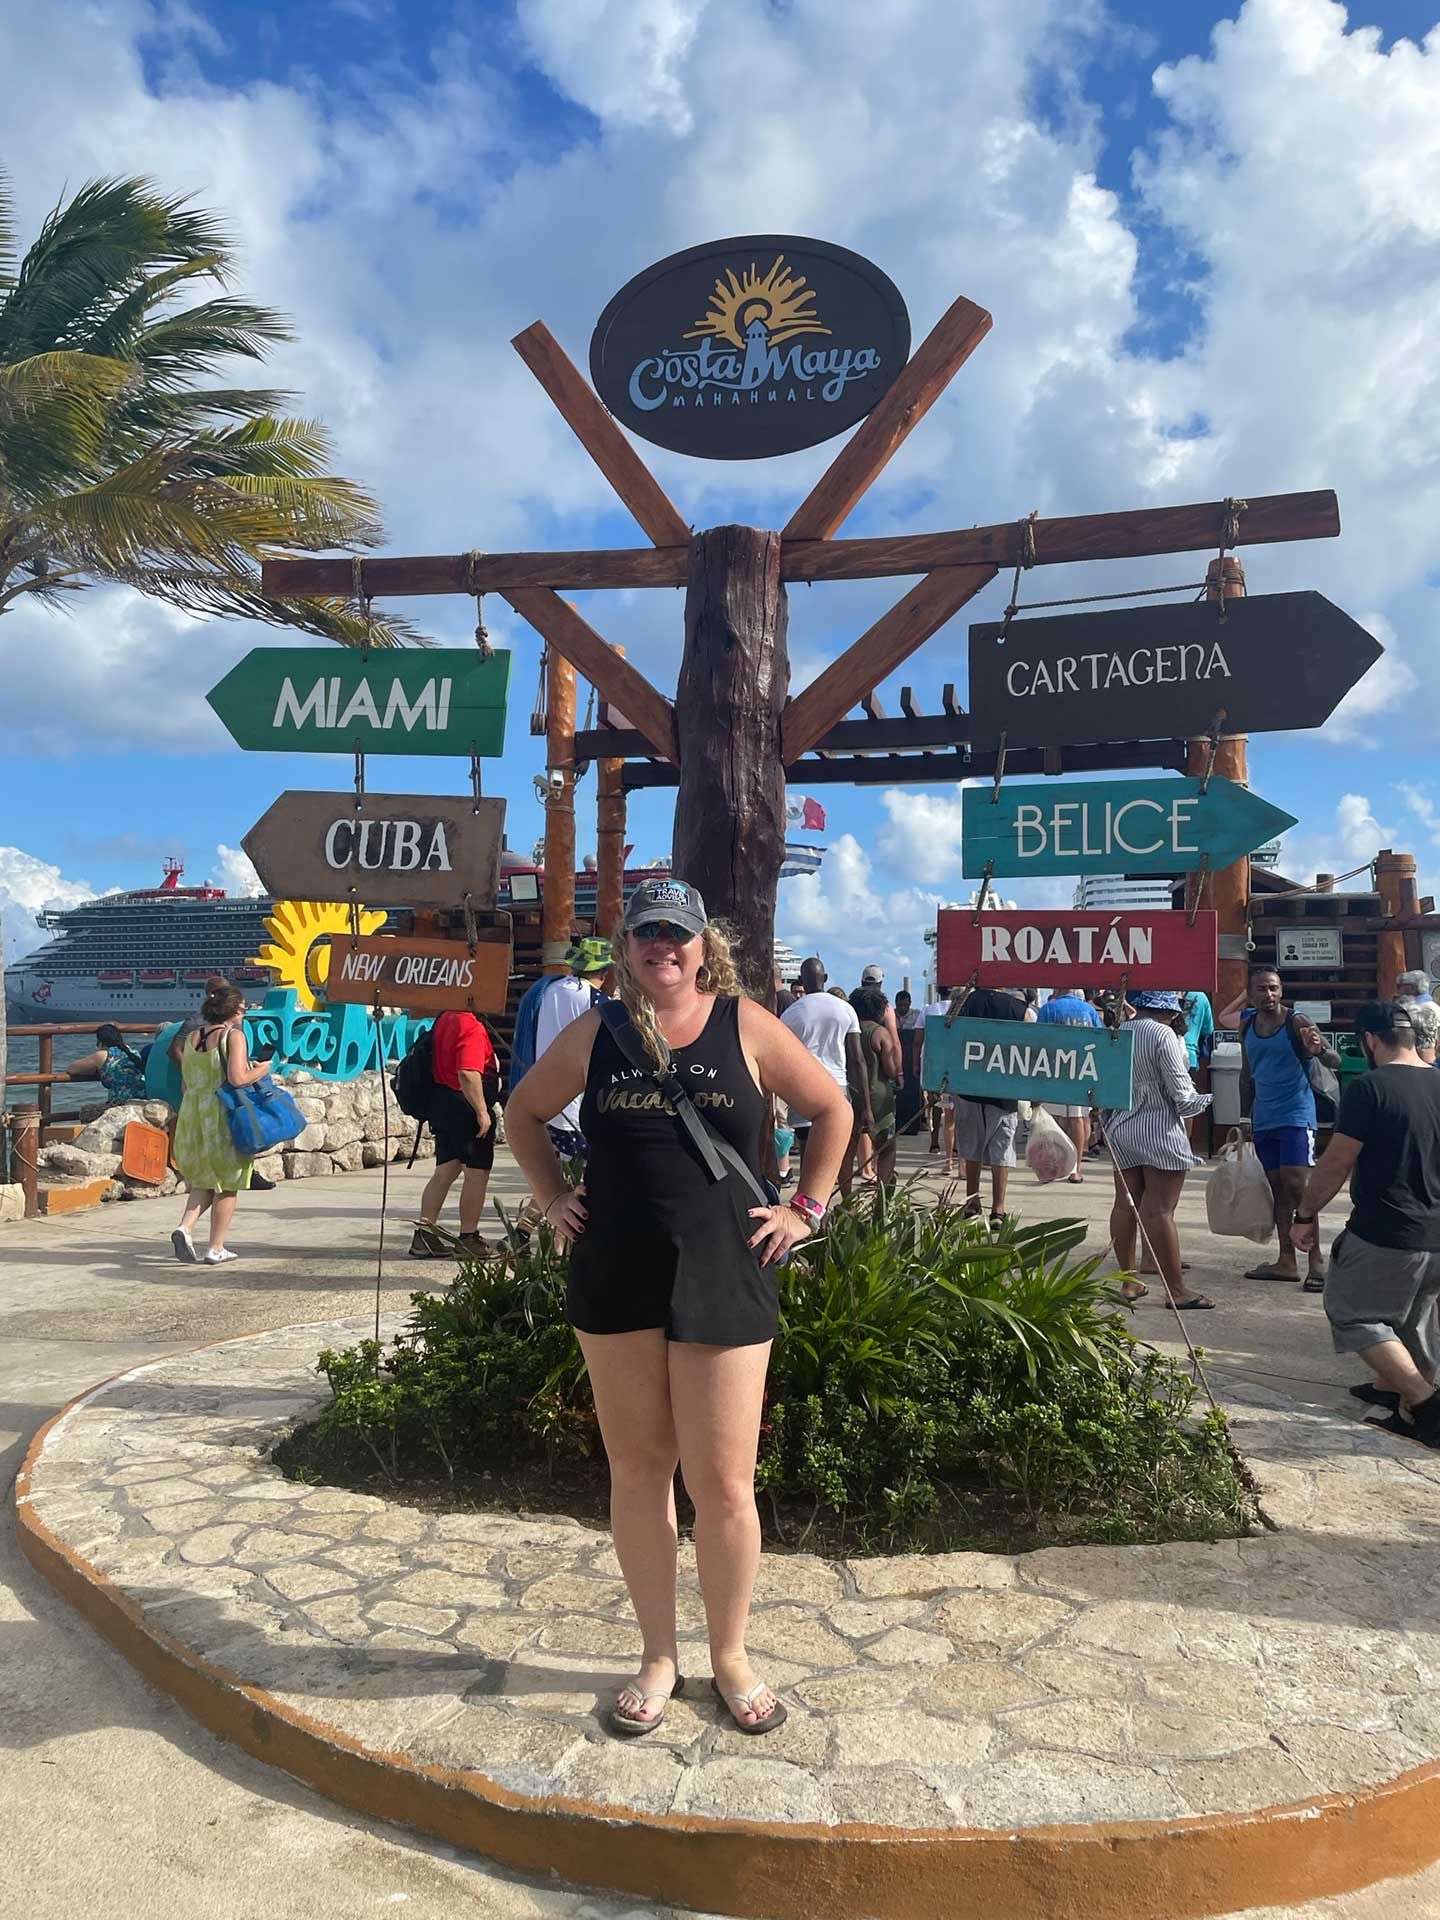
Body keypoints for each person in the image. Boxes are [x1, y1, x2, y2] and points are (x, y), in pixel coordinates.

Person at [503, 879, 851, 1738]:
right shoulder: (600, 1032)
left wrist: (805, 1209)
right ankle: (659, 1654)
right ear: (626, 948)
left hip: (726, 1268)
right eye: (647, 932)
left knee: (725, 1483)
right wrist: (552, 1198)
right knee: (638, 1470)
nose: (663, 945)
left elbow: (832, 1109)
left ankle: (729, 1654)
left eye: (678, 933)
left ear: (705, 949)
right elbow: (523, 1112)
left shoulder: (746, 1025)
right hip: (618, 1269)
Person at [1291, 1002, 1440, 1446]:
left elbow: (1336, 1163)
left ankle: (1426, 1405)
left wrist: (1305, 1214)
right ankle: (1403, 1400)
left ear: (1370, 1041)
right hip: (1436, 1230)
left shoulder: (1369, 1088)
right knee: (1415, 1320)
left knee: (1353, 1312)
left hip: (1388, 1229)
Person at [1218, 966, 1341, 1289]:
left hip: (1297, 1115)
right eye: (1261, 989)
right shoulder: (1247, 1024)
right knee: (1278, 1191)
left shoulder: (1297, 1021)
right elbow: (1247, 1076)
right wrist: (1245, 1118)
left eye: (1273, 988)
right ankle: (1286, 1260)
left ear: (1282, 990)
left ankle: (1316, 1262)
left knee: (1299, 1187)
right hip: (1265, 1118)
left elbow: (1335, 1061)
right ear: (1251, 992)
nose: (1268, 995)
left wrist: (1319, 1050)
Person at [1099, 990, 1215, 1310]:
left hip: (1121, 1127)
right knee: (1160, 1210)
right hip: (1159, 1128)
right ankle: (1176, 1290)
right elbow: (1182, 1095)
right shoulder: (1162, 1034)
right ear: (1166, 1010)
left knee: (1125, 1205)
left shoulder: (1118, 1031)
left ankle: (1128, 1282)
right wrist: (1210, 1100)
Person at [171, 979, 272, 1265]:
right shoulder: (233, 1036)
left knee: (204, 1177)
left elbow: (186, 1084)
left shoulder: (192, 1038)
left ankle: (185, 1228)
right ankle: (216, 1247)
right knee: (229, 1181)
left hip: (193, 1113)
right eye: (243, 1011)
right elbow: (238, 1078)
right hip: (221, 1113)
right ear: (236, 1010)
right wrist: (262, 1069)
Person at [927, 983, 1028, 1222]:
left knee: (970, 1146)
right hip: (1004, 1088)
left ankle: (972, 1201)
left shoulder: (962, 1004)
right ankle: (998, 1209)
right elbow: (1031, 1046)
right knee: (1001, 1149)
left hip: (968, 1085)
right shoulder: (1020, 1008)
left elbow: (946, 1038)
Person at [408, 1005, 500, 1259]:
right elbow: (467, 1071)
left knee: (445, 1170)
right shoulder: (469, 1024)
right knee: (476, 1174)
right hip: (464, 1105)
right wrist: (482, 1111)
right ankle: (468, 1237)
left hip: (442, 1102)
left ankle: (425, 1234)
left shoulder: (446, 1017)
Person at [781, 958, 867, 1174]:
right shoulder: (845, 1009)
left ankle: (804, 1203)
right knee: (832, 1152)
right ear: (826, 979)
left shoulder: (790, 1014)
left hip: (803, 1086)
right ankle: (824, 1202)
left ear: (801, 980)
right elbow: (857, 1060)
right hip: (836, 1085)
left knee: (807, 1151)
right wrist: (865, 1107)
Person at [533, 938, 611, 1161]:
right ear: (604, 972)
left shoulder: (549, 989)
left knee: (553, 1177)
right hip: (576, 1103)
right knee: (577, 1175)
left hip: (544, 1094)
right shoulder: (596, 1001)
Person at [1036, 987, 1102, 1182]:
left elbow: (1038, 1038)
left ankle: (1054, 1166)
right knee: (1078, 1118)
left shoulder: (1048, 1009)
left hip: (1054, 1067)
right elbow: (1100, 1037)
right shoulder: (1087, 1010)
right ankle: (1075, 1168)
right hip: (1083, 1066)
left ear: (1056, 989)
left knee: (1052, 1120)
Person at [841, 986, 900, 1193]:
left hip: (851, 1095)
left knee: (847, 1151)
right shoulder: (879, 1032)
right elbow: (892, 1069)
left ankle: (847, 1197)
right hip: (878, 1096)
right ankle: (882, 1199)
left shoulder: (848, 1030)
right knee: (886, 1148)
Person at [893, 989, 925, 1137]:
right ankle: (898, 1123)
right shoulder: (891, 1016)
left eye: (905, 1005)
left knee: (914, 1092)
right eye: (900, 1005)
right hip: (896, 1058)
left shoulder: (917, 1015)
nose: (902, 1009)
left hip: (911, 1057)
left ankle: (914, 1125)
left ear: (910, 1004)